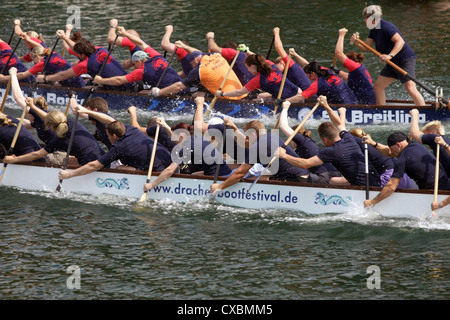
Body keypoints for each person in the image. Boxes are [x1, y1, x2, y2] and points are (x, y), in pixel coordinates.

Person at [277, 96, 381, 187]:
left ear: (325, 139)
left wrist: (284, 156)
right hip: (376, 181)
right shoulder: (349, 138)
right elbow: (340, 124)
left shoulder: (332, 151)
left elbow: (305, 164)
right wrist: (326, 105)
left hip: (365, 188)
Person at [58, 104, 172, 180]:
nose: (107, 138)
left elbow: (94, 165)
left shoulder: (118, 147)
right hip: (170, 161)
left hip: (159, 171)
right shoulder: (129, 129)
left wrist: (69, 174)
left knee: (117, 169)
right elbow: (108, 120)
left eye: (108, 136)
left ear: (114, 136)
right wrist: (87, 111)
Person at [209, 119, 310, 194]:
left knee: (244, 177)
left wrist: (219, 187)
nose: (246, 139)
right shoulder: (272, 136)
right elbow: (246, 143)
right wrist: (233, 127)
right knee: (260, 177)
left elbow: (239, 174)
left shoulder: (258, 146)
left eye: (247, 136)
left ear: (253, 134)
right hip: (304, 176)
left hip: (295, 180)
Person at [351, 5, 425, 106]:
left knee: (410, 88)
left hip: (405, 60)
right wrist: (356, 41)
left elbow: (400, 42)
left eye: (365, 18)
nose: (364, 20)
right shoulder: (373, 29)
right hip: (392, 62)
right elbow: (366, 47)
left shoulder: (386, 27)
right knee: (378, 86)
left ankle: (423, 111)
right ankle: (381, 110)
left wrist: (389, 55)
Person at [4, 97, 105, 167]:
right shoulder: (72, 122)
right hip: (101, 156)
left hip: (91, 163)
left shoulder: (58, 140)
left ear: (51, 126)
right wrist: (33, 107)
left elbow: (36, 154)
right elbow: (48, 118)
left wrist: (14, 159)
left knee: (39, 158)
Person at [143, 116, 234, 193]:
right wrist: (164, 125)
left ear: (181, 135)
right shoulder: (196, 138)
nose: (174, 142)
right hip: (225, 171)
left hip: (218, 179)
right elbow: (174, 136)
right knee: (193, 174)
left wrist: (152, 185)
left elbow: (170, 171)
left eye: (175, 139)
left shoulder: (186, 147)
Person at [364, 131, 450, 208]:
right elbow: (389, 152)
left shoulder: (402, 160)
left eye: (392, 149)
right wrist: (373, 143)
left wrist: (373, 201)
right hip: (446, 186)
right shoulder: (416, 145)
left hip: (435, 195)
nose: (391, 152)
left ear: (398, 144)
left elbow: (391, 187)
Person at [337, 108, 413, 188]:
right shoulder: (372, 145)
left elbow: (341, 128)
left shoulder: (356, 141)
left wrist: (342, 112)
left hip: (390, 179)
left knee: (335, 180)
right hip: (404, 177)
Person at [278, 100, 345, 185]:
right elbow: (341, 128)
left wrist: (285, 108)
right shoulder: (306, 143)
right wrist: (343, 113)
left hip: (324, 176)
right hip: (334, 174)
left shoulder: (302, 140)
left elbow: (283, 126)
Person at [151, 40, 246, 99]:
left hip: (227, 98)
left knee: (195, 95)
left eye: (192, 63)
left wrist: (159, 92)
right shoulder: (215, 56)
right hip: (240, 93)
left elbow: (179, 86)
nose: (192, 66)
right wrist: (184, 47)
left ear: (196, 60)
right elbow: (198, 53)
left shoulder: (199, 70)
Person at [35, 39, 131, 91]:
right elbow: (77, 49)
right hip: (128, 81)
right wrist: (65, 37)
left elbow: (63, 75)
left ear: (82, 54)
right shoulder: (101, 49)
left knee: (84, 88)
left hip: (118, 88)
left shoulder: (85, 64)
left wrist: (45, 78)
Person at [215, 53, 303, 103]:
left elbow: (239, 92)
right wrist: (247, 51)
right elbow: (259, 59)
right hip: (299, 92)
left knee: (257, 99)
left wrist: (222, 94)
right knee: (260, 96)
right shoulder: (270, 64)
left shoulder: (257, 80)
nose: (248, 71)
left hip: (291, 100)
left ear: (253, 66)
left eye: (248, 68)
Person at [4, 35, 85, 88]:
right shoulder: (52, 53)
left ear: (38, 56)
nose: (34, 63)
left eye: (34, 60)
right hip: (77, 80)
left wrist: (3, 78)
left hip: (74, 85)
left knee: (41, 83)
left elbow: (22, 75)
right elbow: (40, 46)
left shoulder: (42, 64)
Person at [93, 50, 182, 91]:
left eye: (134, 64)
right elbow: (141, 42)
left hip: (168, 90)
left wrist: (100, 80)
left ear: (139, 61)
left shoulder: (140, 71)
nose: (134, 66)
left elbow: (119, 80)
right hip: (180, 85)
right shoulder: (158, 57)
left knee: (143, 91)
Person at [332, 28, 375, 105]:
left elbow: (338, 53)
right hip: (368, 99)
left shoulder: (354, 66)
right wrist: (337, 71)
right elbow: (350, 78)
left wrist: (341, 35)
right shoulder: (359, 68)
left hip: (366, 103)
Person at [292, 61, 358, 104]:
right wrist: (295, 54)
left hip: (344, 107)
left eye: (308, 77)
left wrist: (285, 101)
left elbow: (301, 97)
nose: (309, 79)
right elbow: (306, 64)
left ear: (313, 74)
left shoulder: (318, 84)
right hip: (354, 101)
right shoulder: (325, 70)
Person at [409, 108, 450, 176]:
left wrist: (415, 115)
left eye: (425, 134)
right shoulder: (447, 141)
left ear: (430, 133)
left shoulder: (434, 137)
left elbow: (414, 133)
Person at [272, 27, 311, 92]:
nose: (275, 69)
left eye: (276, 66)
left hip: (308, 97)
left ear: (281, 62)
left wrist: (276, 33)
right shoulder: (284, 75)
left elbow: (278, 48)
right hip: (300, 95)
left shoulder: (291, 67)